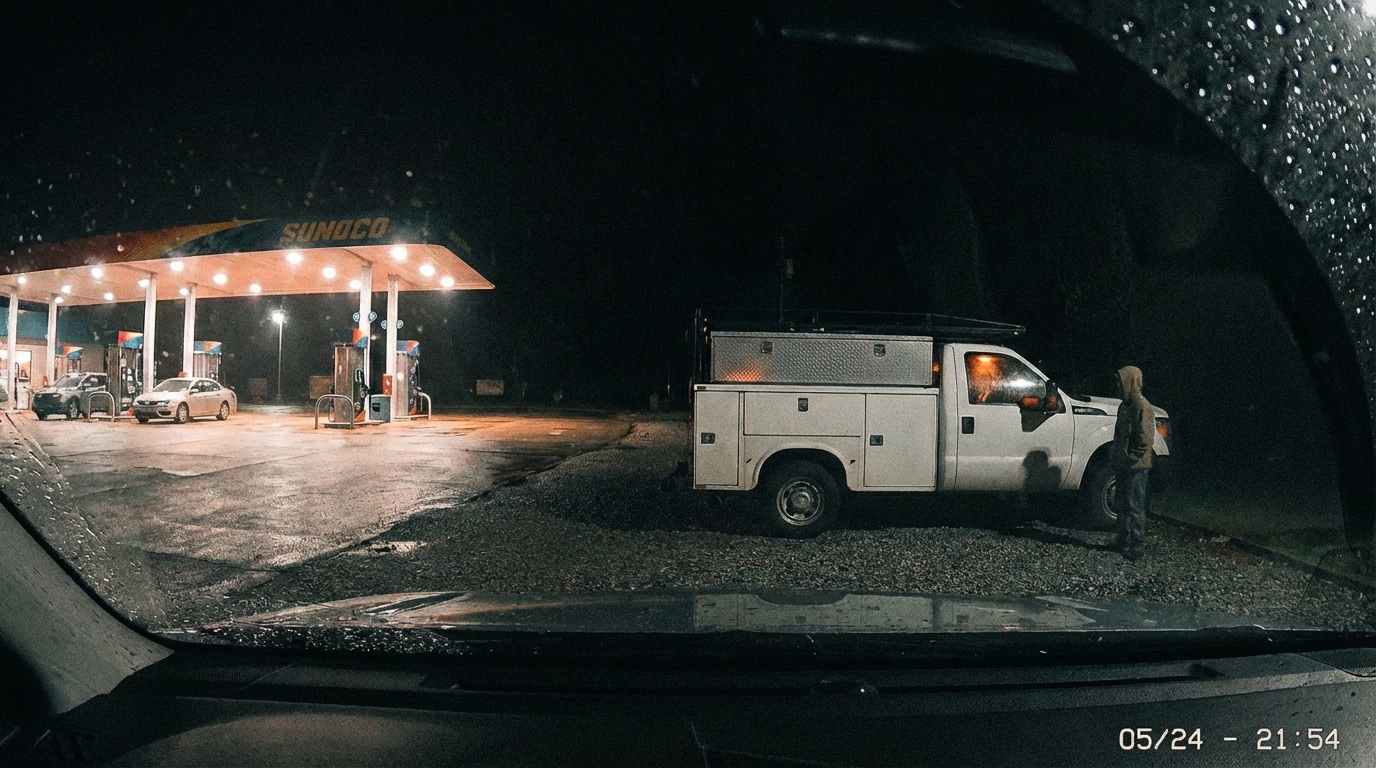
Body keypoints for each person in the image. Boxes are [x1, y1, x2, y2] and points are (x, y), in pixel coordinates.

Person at [1112, 365, 1156, 560]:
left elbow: (1145, 438)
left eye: (1120, 381)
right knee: (1121, 504)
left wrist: (1131, 457)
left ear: (1129, 381)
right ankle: (1123, 540)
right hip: (1124, 464)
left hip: (1136, 466)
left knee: (1134, 506)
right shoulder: (1124, 406)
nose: (1117, 385)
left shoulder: (1141, 406)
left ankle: (1137, 546)